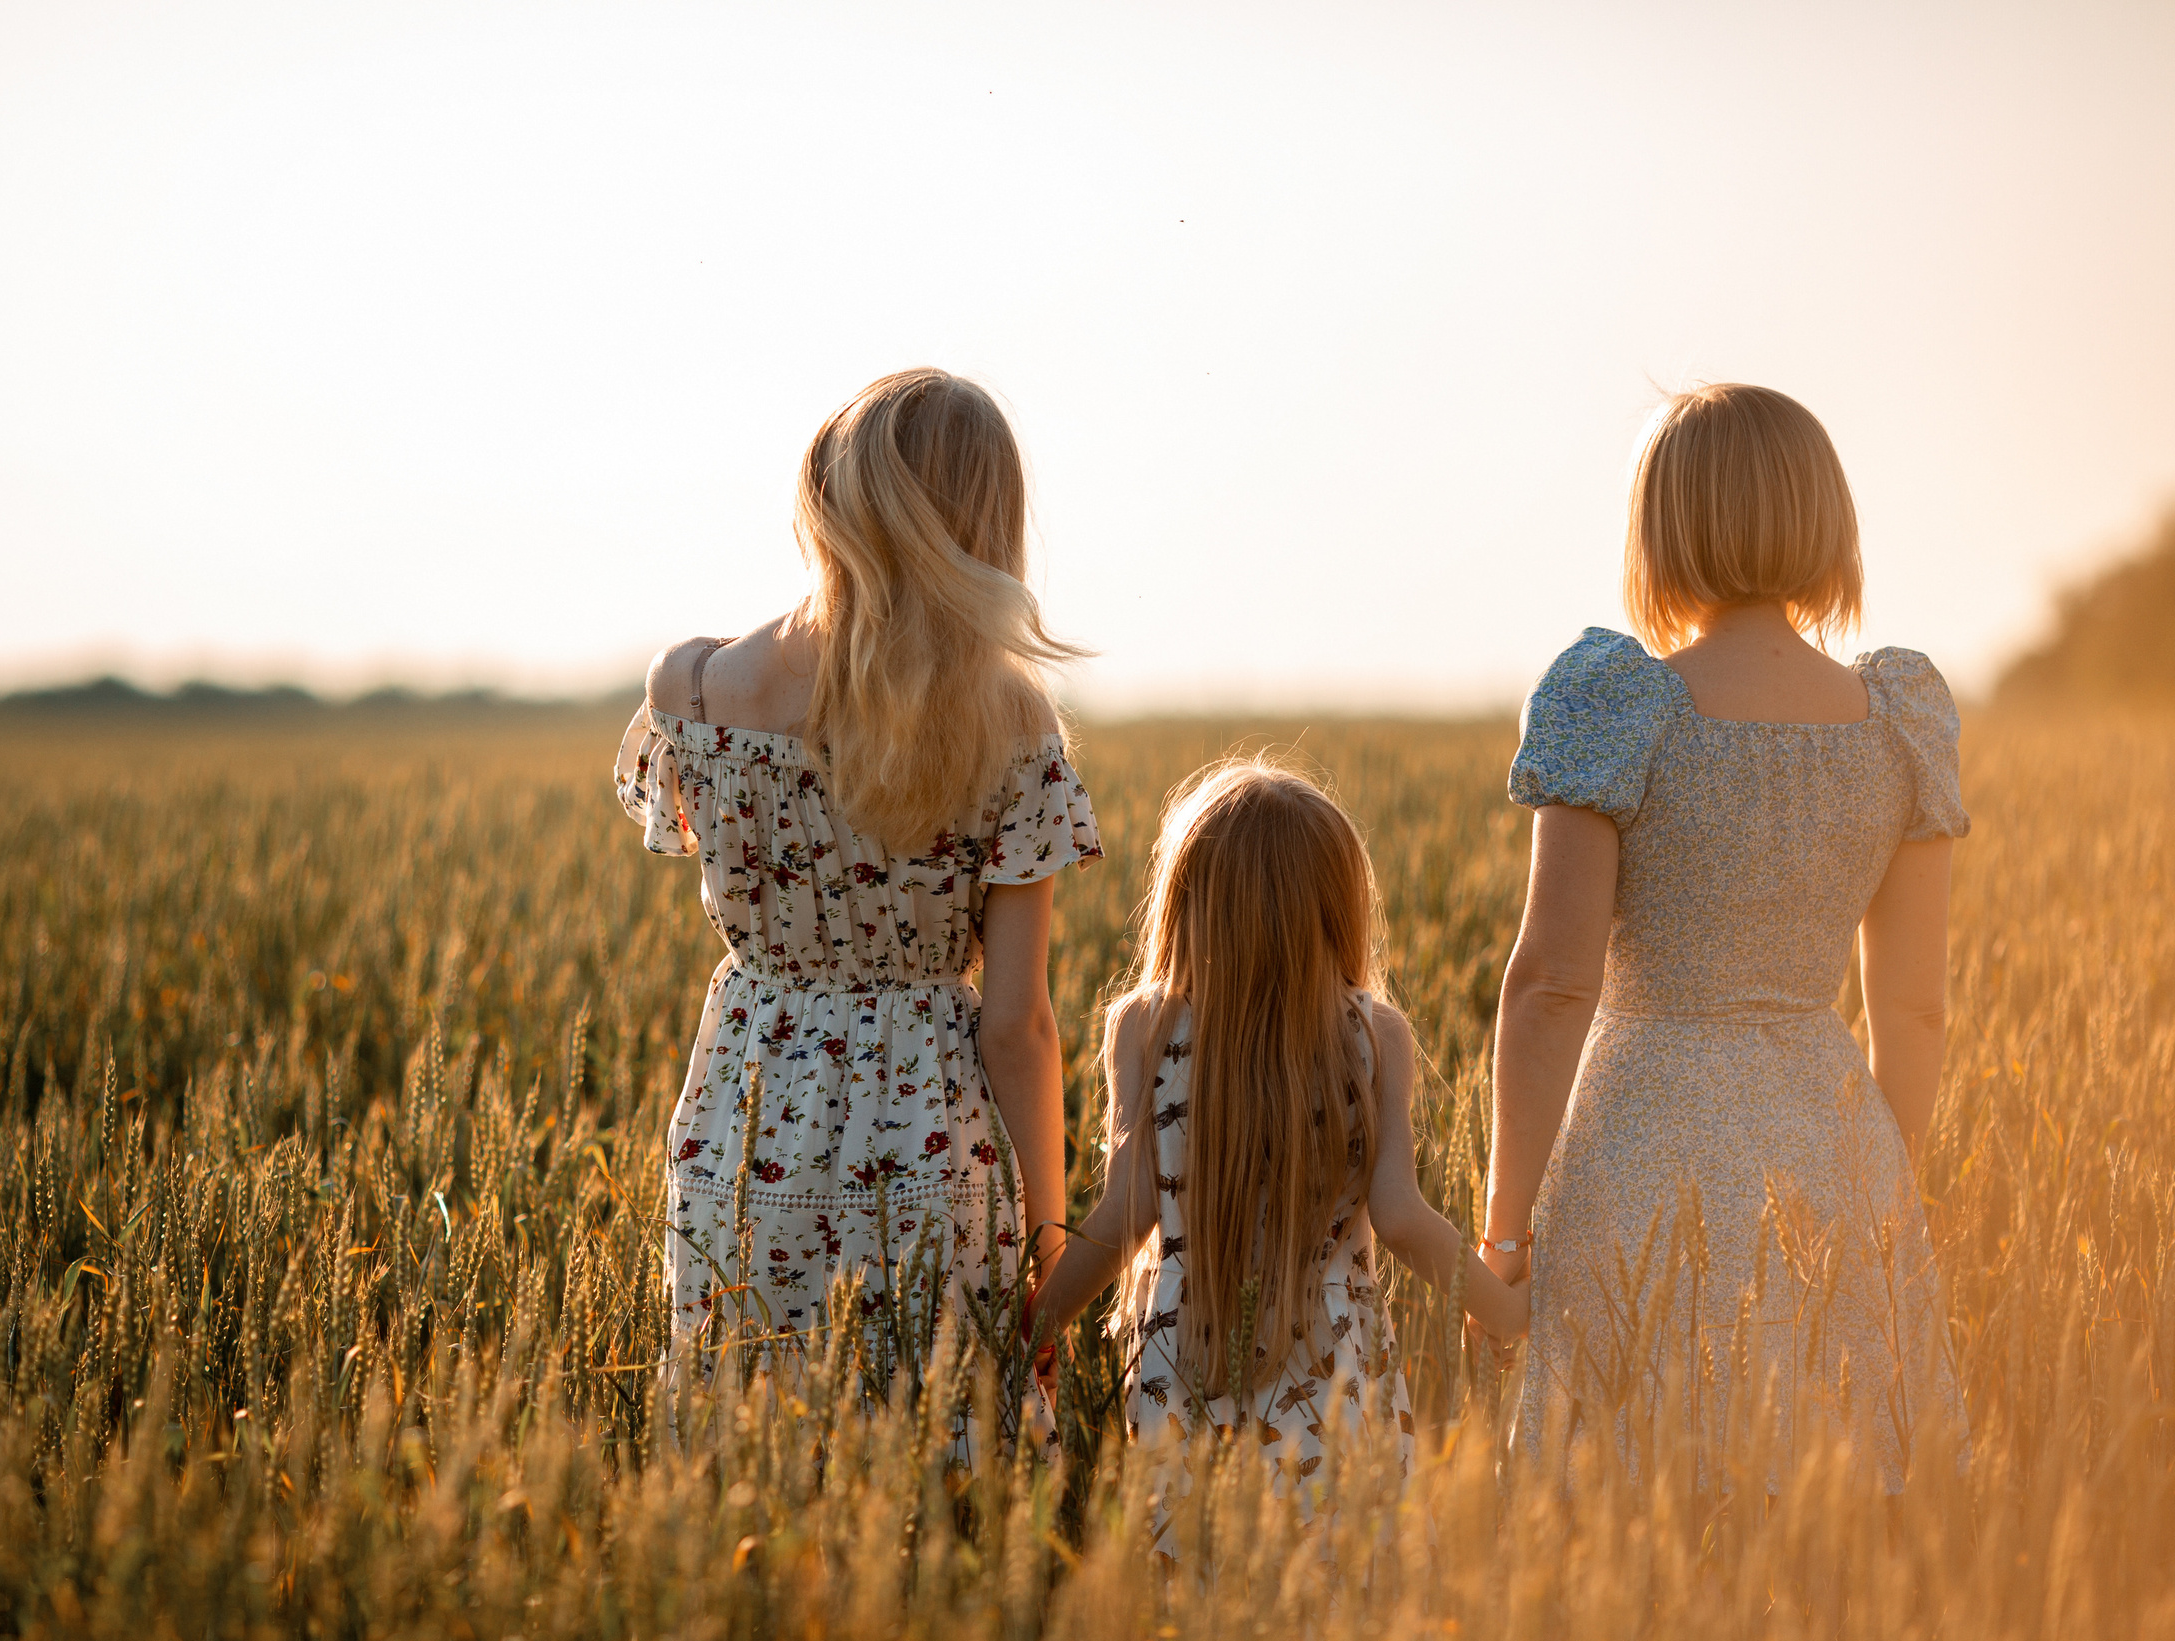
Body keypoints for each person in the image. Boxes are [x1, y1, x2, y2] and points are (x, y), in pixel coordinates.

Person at [1486, 382, 1968, 1484]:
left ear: (1660, 530)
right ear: (1824, 520)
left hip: (1638, 1140)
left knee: (1626, 1482)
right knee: (1826, 1492)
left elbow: (1551, 982)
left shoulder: (1615, 700)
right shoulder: (1900, 715)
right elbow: (1914, 1005)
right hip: (1832, 1143)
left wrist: (1505, 1229)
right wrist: (1886, 1192)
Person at [615, 368, 1099, 1377]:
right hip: (928, 1133)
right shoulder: (1008, 720)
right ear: (986, 523)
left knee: (745, 1422)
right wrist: (1050, 1246)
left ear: (825, 495)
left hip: (744, 1125)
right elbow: (1017, 1024)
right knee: (942, 1446)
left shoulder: (696, 688)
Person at [1025, 759, 1526, 1551]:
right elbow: (1399, 1215)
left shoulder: (1145, 1027)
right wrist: (1514, 1314)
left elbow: (1127, 1213)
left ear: (1187, 906)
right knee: (1343, 1568)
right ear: (1336, 908)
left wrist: (1027, 1326)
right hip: (1336, 1362)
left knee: (1196, 1568)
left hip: (1184, 1357)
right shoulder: (1372, 1033)